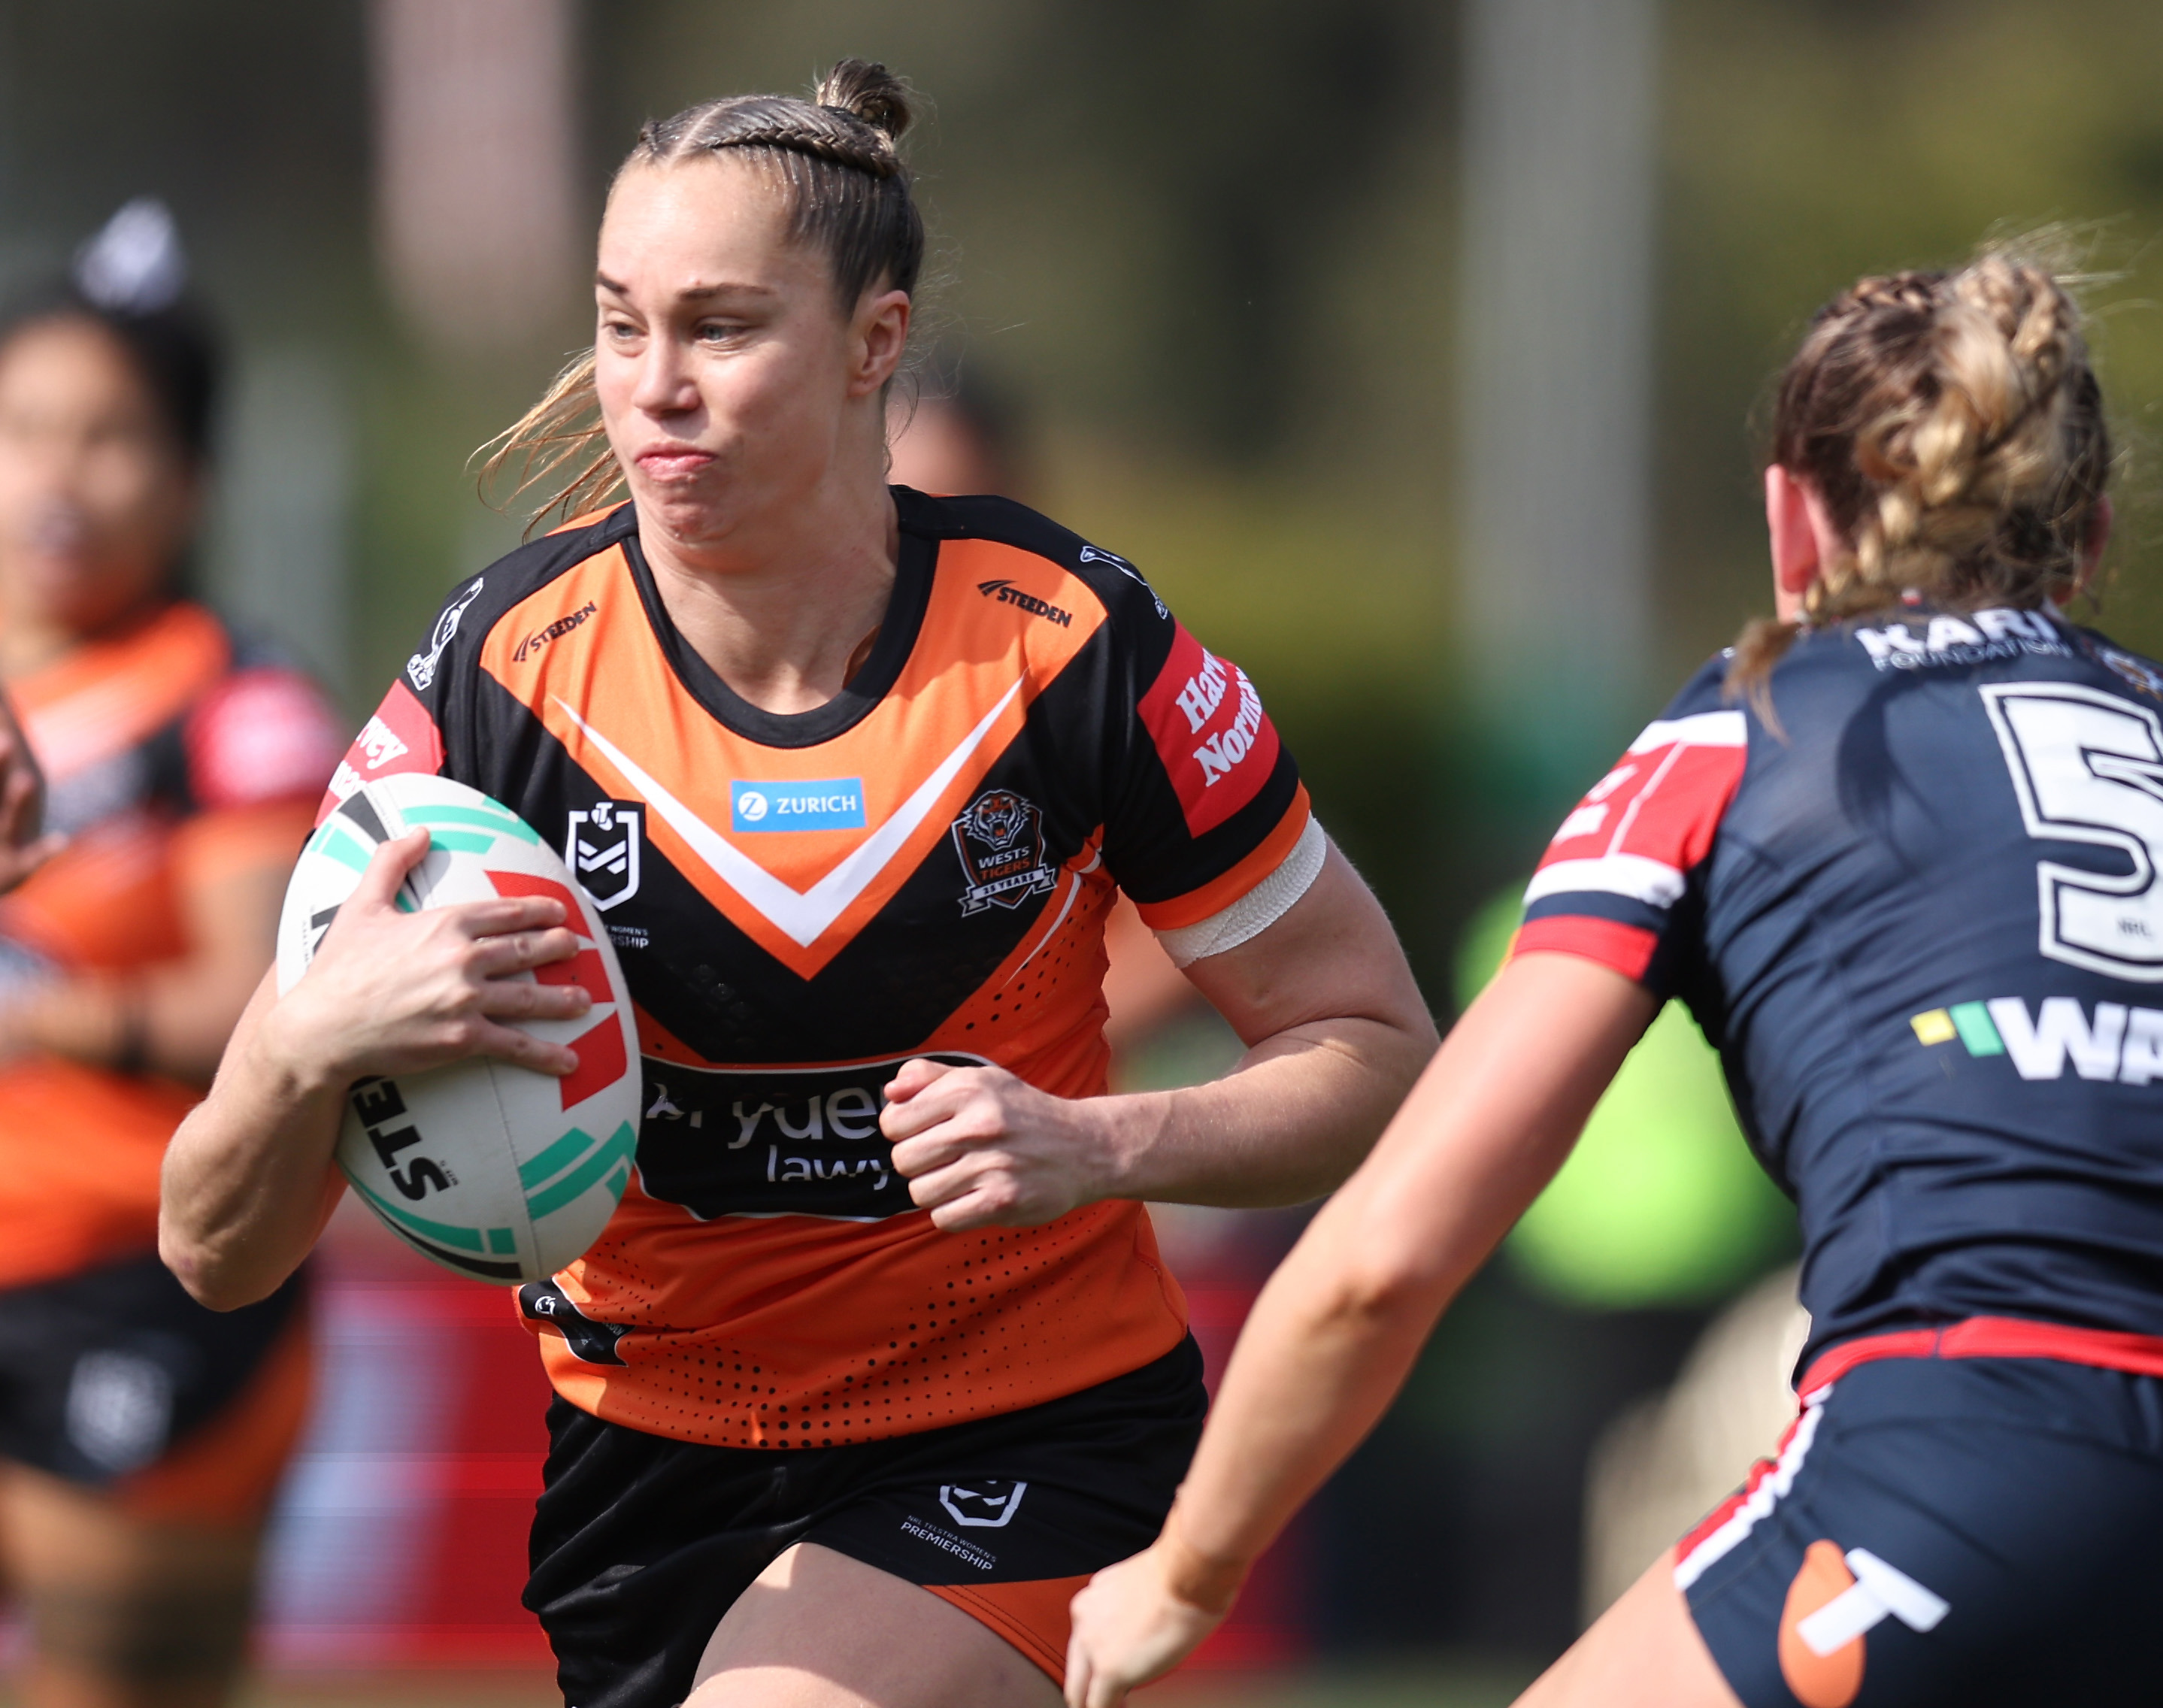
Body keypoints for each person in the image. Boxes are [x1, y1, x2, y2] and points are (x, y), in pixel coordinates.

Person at [158, 59, 1434, 1708]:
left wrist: (1099, 1142)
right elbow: (212, 1245)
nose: (652, 388)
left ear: (872, 343)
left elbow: (1375, 1044)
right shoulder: (494, 686)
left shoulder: (1067, 650)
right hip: (642, 1466)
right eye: (622, 326)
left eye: (719, 328)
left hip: (1028, 1436)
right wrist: (305, 1042)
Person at [1066, 245, 2163, 1708]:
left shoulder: (1733, 741)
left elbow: (1376, 1262)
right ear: (2093, 535)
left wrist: (1181, 1578)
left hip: (1969, 1452)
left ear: (1791, 521)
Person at [0, 198, 344, 1708]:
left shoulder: (233, 703)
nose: (57, 479)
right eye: (23, 429)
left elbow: (270, 1005)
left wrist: (46, 1010)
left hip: (143, 1290)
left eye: (110, 435)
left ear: (192, 476)